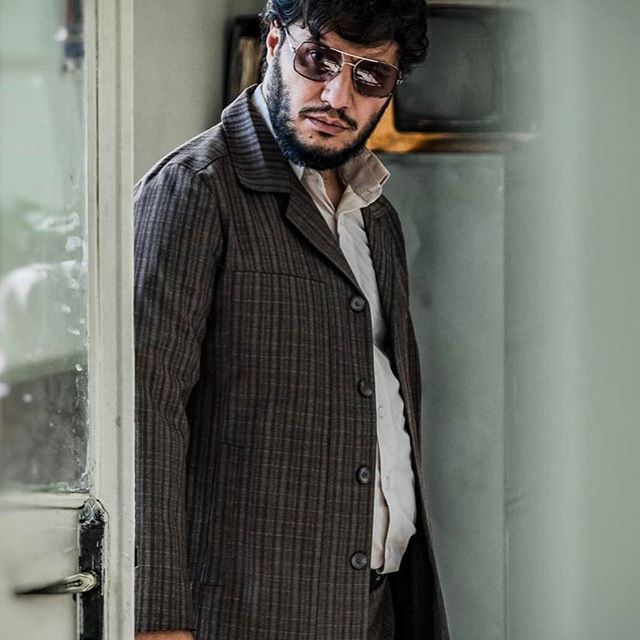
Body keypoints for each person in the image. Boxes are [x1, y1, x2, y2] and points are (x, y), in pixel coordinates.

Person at [134, 0, 449, 638]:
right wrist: (155, 617)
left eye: (370, 75)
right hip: (245, 615)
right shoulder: (195, 188)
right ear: (275, 42)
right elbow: (144, 412)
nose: (338, 96)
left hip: (378, 605)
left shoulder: (377, 216)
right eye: (319, 59)